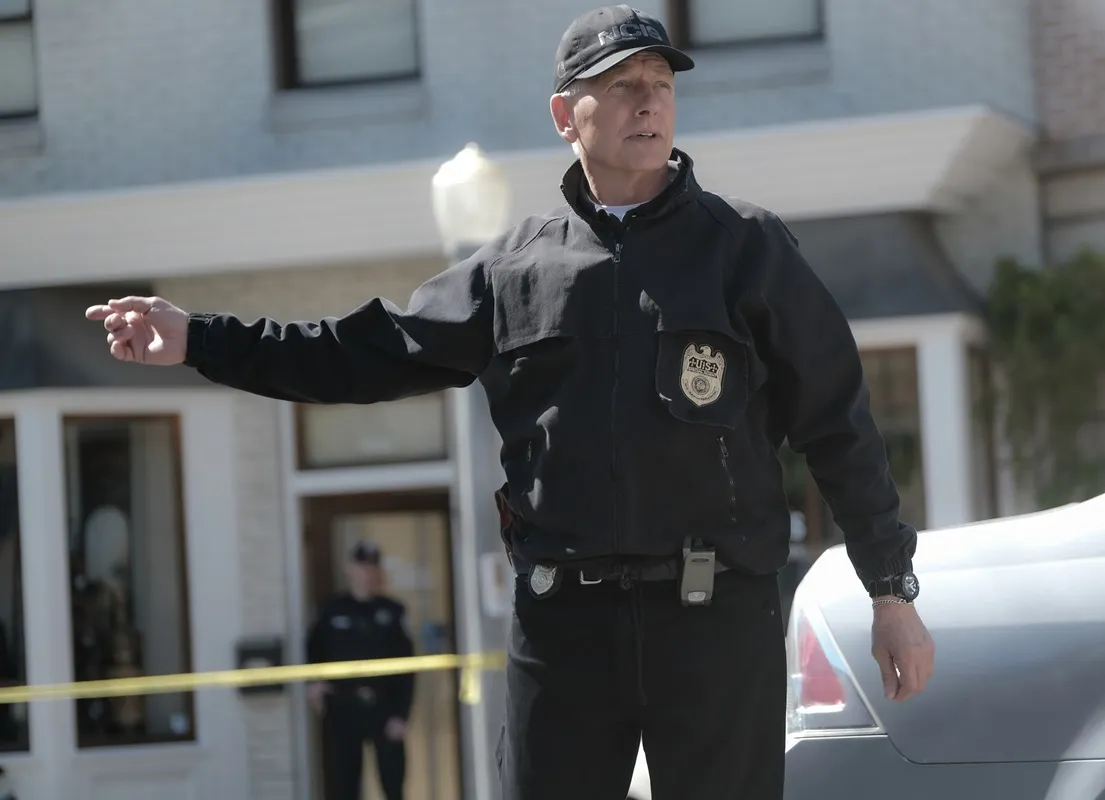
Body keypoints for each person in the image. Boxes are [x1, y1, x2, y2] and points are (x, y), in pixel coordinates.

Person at [84, 5, 935, 798]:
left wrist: (890, 595)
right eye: (624, 87)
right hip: (564, 630)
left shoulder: (747, 250)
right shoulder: (514, 271)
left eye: (662, 86)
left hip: (713, 626)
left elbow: (840, 425)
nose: (650, 105)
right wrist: (199, 339)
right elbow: (360, 354)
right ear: (566, 115)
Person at [304, 541, 415, 800]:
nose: (367, 573)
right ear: (349, 568)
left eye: (372, 566)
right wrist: (314, 684)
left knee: (393, 785)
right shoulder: (331, 611)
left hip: (385, 709)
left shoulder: (392, 611)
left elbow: (409, 669)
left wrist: (401, 714)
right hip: (343, 709)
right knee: (344, 786)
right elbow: (312, 651)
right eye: (362, 566)